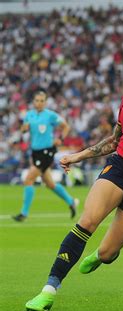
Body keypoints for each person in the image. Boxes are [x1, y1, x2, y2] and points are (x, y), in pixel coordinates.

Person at [25, 38, 123, 311]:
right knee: (87, 221)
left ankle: (102, 255)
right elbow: (114, 141)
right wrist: (78, 156)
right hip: (120, 166)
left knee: (108, 252)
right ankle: (48, 290)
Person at [12, 90, 78, 222]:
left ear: (45, 102)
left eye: (42, 101)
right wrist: (24, 129)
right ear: (33, 102)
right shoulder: (29, 115)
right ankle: (71, 201)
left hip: (47, 151)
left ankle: (24, 213)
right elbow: (23, 129)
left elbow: (66, 126)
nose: (39, 103)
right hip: (35, 152)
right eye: (37, 100)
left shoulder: (50, 115)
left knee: (28, 180)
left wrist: (61, 139)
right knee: (50, 184)